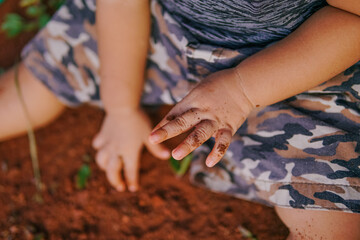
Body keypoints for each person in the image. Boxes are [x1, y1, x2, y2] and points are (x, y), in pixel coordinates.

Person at [0, 0, 359, 238]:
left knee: (333, 227)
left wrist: (242, 90)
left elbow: (353, 18)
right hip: (160, 30)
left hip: (296, 64)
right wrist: (120, 107)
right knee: (23, 92)